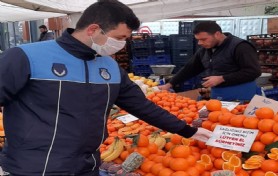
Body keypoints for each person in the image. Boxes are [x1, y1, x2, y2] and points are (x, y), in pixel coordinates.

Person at [0, 1, 212, 175]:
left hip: (87, 166)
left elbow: (143, 106)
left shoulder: (110, 67)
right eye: (120, 38)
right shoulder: (25, 57)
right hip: (34, 168)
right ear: (93, 29)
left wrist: (188, 130)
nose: (122, 44)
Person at [159, 21, 261, 101]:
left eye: (203, 39)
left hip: (242, 95)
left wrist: (222, 78)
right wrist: (169, 84)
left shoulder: (240, 47)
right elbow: (189, 69)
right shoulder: (204, 51)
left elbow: (253, 71)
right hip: (218, 95)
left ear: (217, 34)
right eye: (198, 40)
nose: (200, 43)